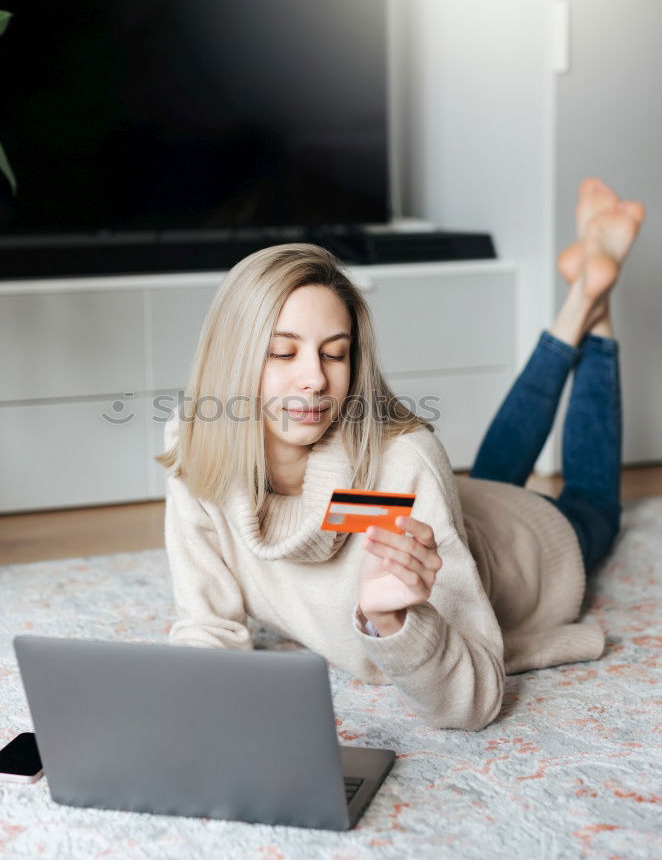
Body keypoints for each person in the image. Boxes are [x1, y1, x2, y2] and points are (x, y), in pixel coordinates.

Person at [157, 178, 645, 731]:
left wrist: (393, 622)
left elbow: (475, 701)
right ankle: (587, 293)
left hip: (525, 547)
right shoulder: (197, 442)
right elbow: (207, 626)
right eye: (282, 352)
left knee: (593, 502)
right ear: (232, 356)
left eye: (335, 354)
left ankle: (592, 302)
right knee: (486, 472)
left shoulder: (403, 463)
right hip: (458, 502)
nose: (314, 379)